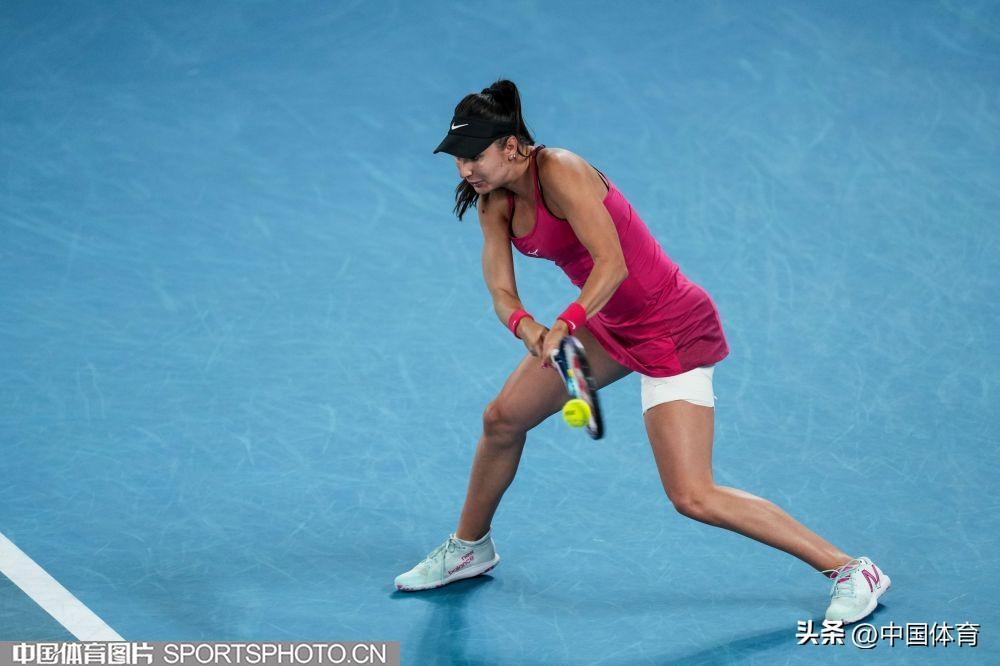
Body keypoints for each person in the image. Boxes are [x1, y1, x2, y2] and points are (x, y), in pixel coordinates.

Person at [394, 79, 890, 624]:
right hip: (609, 323)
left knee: (692, 495)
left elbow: (613, 264)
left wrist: (564, 324)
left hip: (671, 327)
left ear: (511, 146)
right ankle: (470, 548)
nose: (465, 169)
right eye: (458, 158)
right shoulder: (495, 203)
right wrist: (527, 328)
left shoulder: (561, 169)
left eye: (474, 155)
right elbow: (501, 292)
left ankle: (851, 569)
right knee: (502, 419)